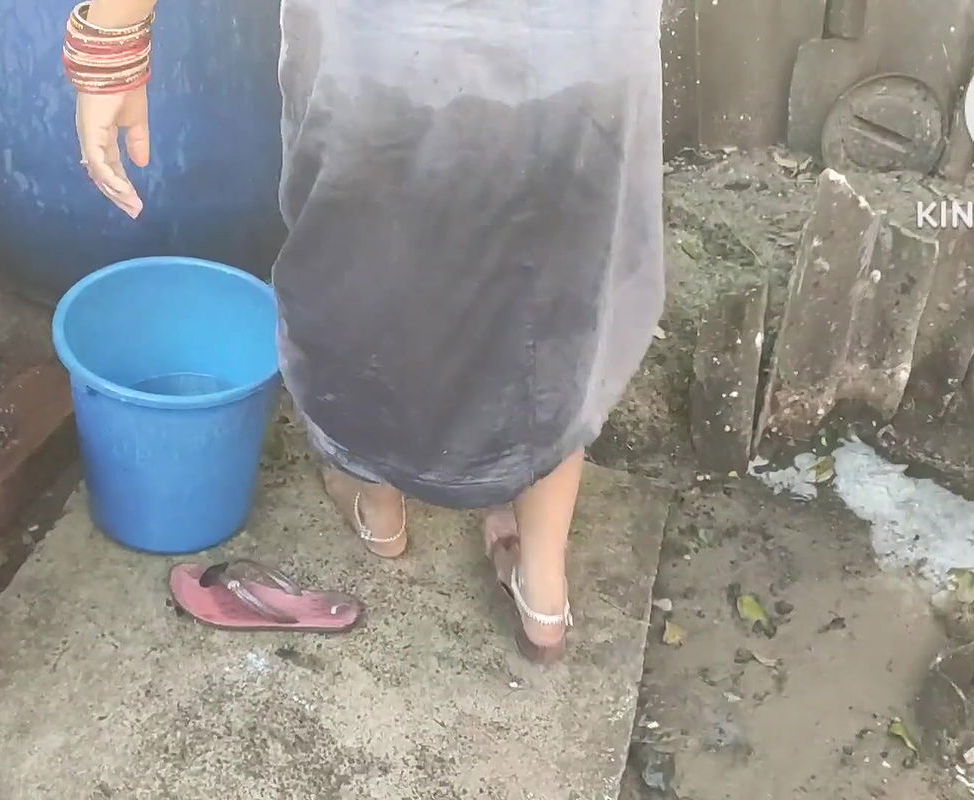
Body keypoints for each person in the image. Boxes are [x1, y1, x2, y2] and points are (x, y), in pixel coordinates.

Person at [64, 0, 663, 664]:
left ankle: (379, 510)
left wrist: (114, 34)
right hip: (583, 37)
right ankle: (543, 588)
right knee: (557, 277)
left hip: (386, 39)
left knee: (368, 256)